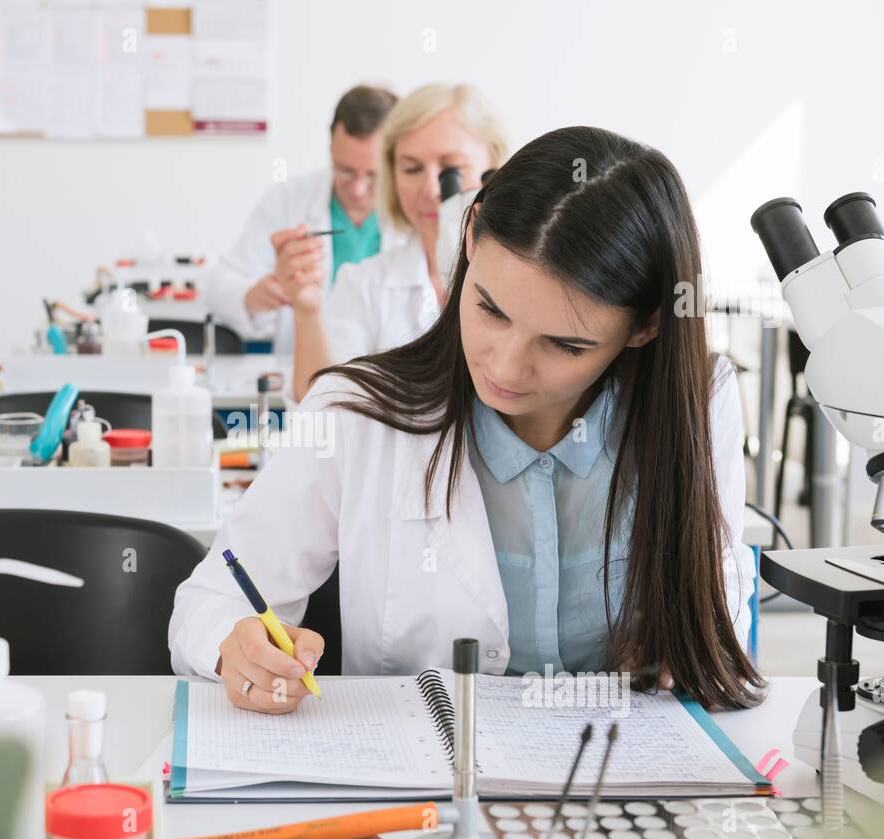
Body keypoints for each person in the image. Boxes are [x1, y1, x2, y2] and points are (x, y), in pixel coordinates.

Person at [169, 125, 765, 716]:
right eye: (489, 309)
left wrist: (695, 641)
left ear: (646, 326)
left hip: (619, 777)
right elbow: (213, 599)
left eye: (564, 345)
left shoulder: (699, 403)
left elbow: (723, 590)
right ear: (471, 238)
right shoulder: (352, 413)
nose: (505, 366)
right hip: (424, 791)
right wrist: (235, 647)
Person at [277, 83, 507, 400]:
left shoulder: (526, 276)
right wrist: (307, 312)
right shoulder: (364, 283)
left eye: (450, 170)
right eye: (411, 169)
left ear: (493, 169)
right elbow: (319, 402)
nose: (430, 189)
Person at [202, 84, 400, 343]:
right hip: (302, 369)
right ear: (330, 148)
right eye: (345, 171)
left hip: (386, 375)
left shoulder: (416, 213)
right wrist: (252, 296)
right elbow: (218, 282)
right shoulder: (288, 200)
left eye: (373, 175)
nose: (358, 189)